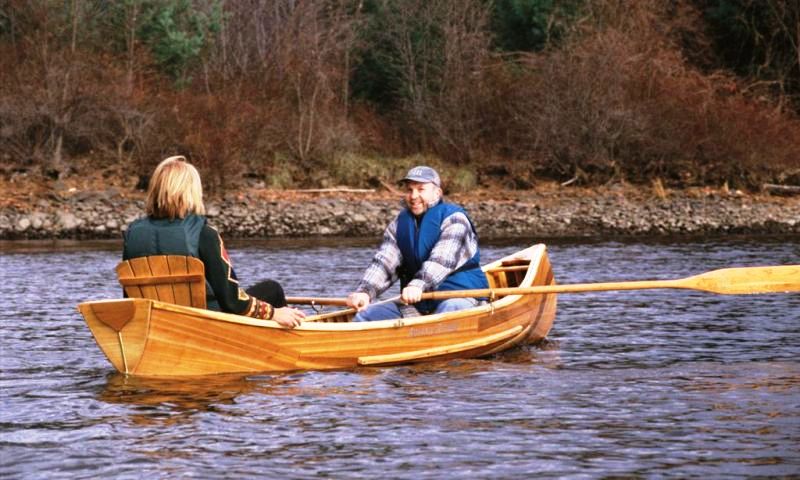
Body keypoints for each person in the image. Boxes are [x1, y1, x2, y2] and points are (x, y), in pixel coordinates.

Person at [122, 155, 305, 328]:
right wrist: (273, 313)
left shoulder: (132, 235)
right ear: (191, 192)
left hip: (157, 325)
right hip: (207, 326)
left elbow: (129, 298)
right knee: (272, 289)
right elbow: (232, 301)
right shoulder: (203, 234)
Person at [346, 165, 489, 321]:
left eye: (421, 189)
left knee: (449, 312)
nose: (413, 196)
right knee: (364, 316)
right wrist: (365, 291)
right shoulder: (398, 225)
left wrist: (418, 284)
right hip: (419, 305)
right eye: (409, 190)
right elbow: (384, 263)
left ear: (437, 193)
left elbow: (441, 260)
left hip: (461, 297)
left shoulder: (455, 219)